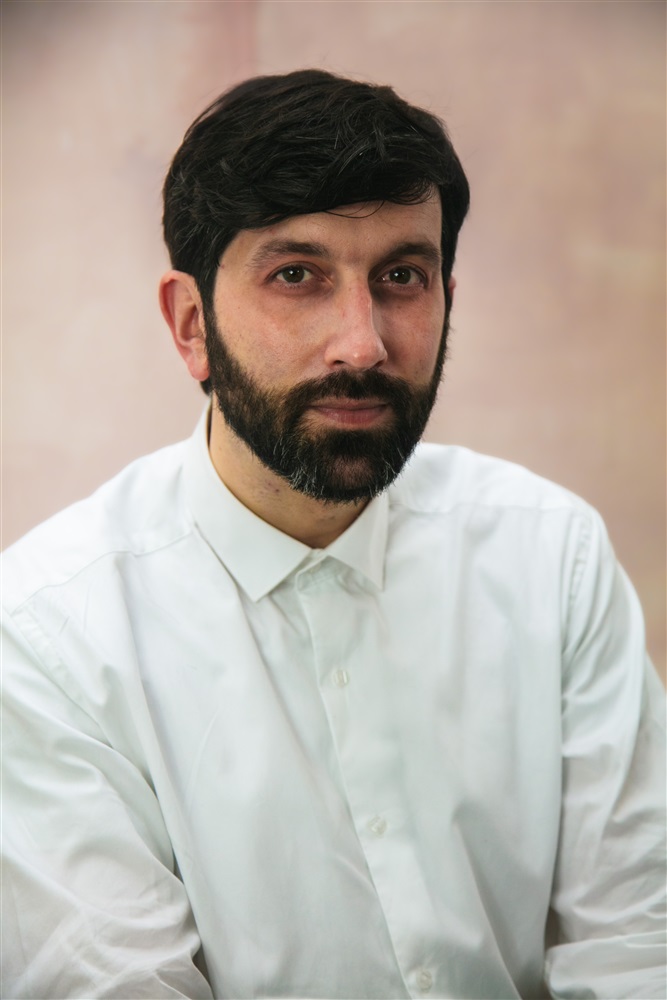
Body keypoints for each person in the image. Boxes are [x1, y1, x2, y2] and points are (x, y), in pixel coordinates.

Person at [1, 69, 665, 1000]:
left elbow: (639, 943)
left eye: (401, 277)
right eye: (296, 276)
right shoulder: (47, 634)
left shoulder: (551, 557)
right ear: (192, 324)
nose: (363, 343)